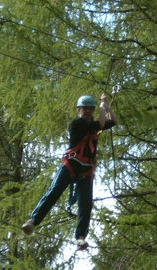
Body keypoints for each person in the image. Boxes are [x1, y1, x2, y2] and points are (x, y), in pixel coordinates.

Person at [22, 92, 118, 250]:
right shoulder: (77, 123)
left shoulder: (94, 125)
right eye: (84, 109)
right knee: (55, 191)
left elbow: (113, 121)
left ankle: (80, 237)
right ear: (78, 110)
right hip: (71, 164)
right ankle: (33, 221)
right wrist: (101, 107)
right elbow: (101, 124)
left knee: (86, 203)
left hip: (86, 169)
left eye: (90, 109)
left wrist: (106, 107)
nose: (87, 112)